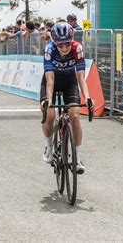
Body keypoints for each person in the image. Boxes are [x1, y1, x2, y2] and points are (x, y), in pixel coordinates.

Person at [40, 22, 93, 174]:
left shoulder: (77, 48)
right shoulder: (49, 50)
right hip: (52, 81)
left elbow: (81, 77)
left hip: (70, 81)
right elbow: (50, 80)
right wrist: (49, 102)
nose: (64, 48)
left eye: (67, 44)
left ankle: (77, 158)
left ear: (72, 40)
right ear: (54, 43)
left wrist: (88, 98)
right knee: (49, 114)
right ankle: (49, 147)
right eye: (60, 44)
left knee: (75, 116)